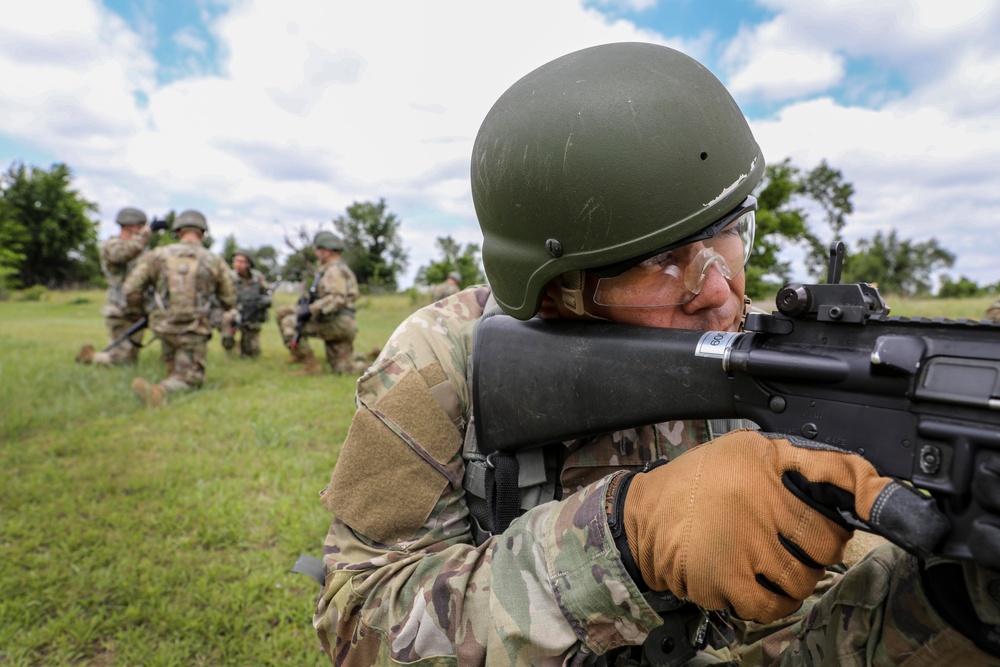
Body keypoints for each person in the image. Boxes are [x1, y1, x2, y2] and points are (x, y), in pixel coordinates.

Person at [311, 43, 1000, 666]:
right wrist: (622, 538)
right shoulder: (443, 363)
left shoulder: (784, 354)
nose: (720, 291)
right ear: (557, 289)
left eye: (731, 234)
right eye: (661, 263)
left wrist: (959, 594)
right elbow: (356, 625)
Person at [122, 210, 235, 406]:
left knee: (173, 362)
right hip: (194, 329)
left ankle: (171, 376)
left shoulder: (157, 255)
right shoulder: (213, 260)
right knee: (192, 379)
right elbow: (229, 298)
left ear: (178, 231)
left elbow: (130, 289)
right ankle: (159, 392)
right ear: (203, 233)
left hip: (163, 326)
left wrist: (143, 311)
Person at [75, 207, 154, 366]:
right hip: (120, 309)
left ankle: (97, 356)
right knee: (122, 360)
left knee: (130, 359)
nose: (143, 230)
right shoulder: (112, 245)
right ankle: (90, 358)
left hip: (138, 309)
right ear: (130, 226)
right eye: (141, 226)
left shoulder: (140, 249)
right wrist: (146, 234)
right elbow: (123, 254)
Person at [276, 231, 362, 375]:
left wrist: (311, 310)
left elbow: (337, 298)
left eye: (317, 249)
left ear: (326, 251)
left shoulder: (334, 271)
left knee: (289, 323)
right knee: (343, 369)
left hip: (338, 322)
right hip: (341, 322)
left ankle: (311, 366)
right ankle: (376, 361)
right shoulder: (333, 269)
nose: (315, 253)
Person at [220, 248, 272, 358]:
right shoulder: (229, 277)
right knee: (227, 334)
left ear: (248, 264)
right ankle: (230, 348)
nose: (237, 264)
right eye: (235, 260)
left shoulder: (257, 277)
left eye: (241, 261)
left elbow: (267, 293)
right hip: (233, 313)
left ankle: (245, 346)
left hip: (252, 315)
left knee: (252, 353)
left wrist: (266, 301)